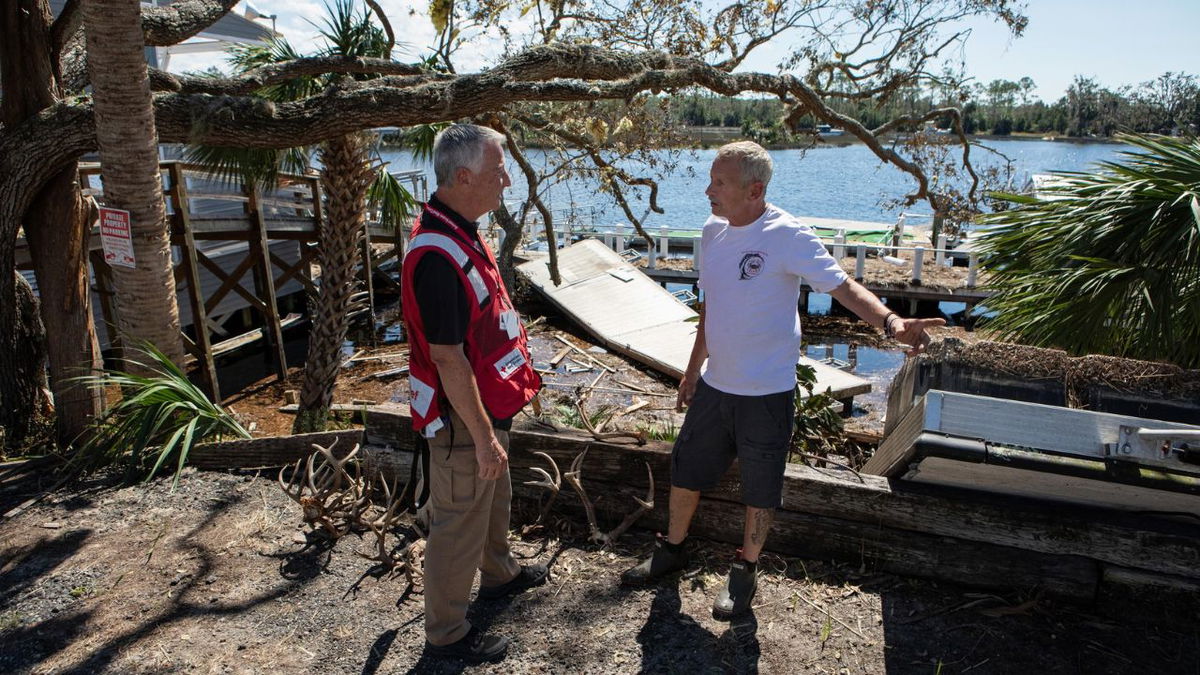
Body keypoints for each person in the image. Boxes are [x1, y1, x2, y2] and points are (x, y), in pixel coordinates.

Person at [621, 141, 943, 619]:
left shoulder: (787, 235)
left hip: (767, 394)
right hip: (716, 385)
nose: (708, 190)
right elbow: (712, 310)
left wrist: (893, 325)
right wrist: (692, 372)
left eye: (720, 183)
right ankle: (671, 550)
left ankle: (745, 572)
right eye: (711, 179)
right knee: (685, 472)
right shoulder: (712, 233)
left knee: (761, 489)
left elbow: (843, 287)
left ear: (754, 190)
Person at [401, 124, 547, 664]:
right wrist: (483, 437)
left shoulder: (462, 228)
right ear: (463, 177)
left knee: (493, 499)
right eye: (497, 171)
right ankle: (446, 634)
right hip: (464, 417)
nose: (507, 180)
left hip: (490, 405)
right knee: (459, 520)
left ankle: (500, 574)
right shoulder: (437, 254)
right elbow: (447, 358)